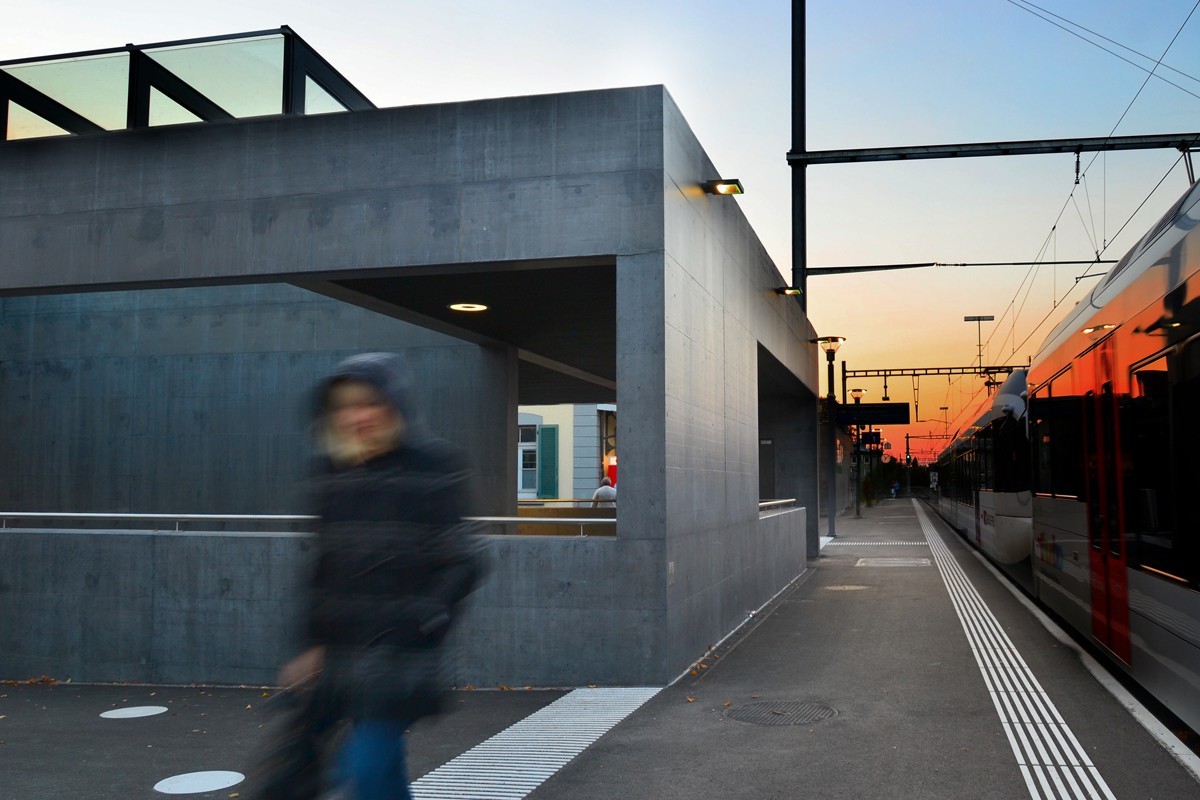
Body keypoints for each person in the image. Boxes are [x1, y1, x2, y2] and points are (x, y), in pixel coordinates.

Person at [274, 353, 484, 800]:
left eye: (369, 403)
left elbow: (464, 560)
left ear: (393, 406)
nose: (357, 415)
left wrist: (424, 618)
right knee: (381, 771)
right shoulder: (330, 472)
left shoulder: (432, 464)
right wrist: (309, 644)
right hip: (342, 653)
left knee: (363, 767)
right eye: (345, 406)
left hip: (402, 654)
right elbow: (322, 568)